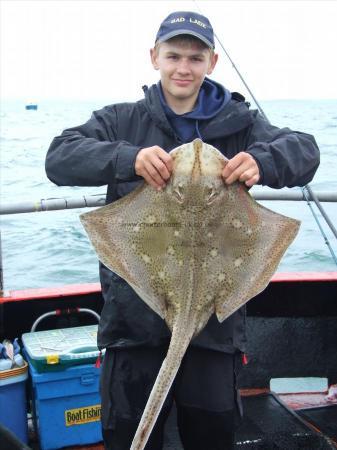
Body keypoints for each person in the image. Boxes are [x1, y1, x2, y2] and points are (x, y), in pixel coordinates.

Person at [45, 10, 320, 450]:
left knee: (211, 434)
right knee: (130, 432)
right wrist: (128, 159)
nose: (183, 67)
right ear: (154, 57)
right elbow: (59, 157)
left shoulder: (242, 126)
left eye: (195, 57)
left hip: (214, 324)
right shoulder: (121, 120)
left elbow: (305, 150)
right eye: (174, 55)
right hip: (134, 319)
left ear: (211, 63)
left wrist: (263, 162)